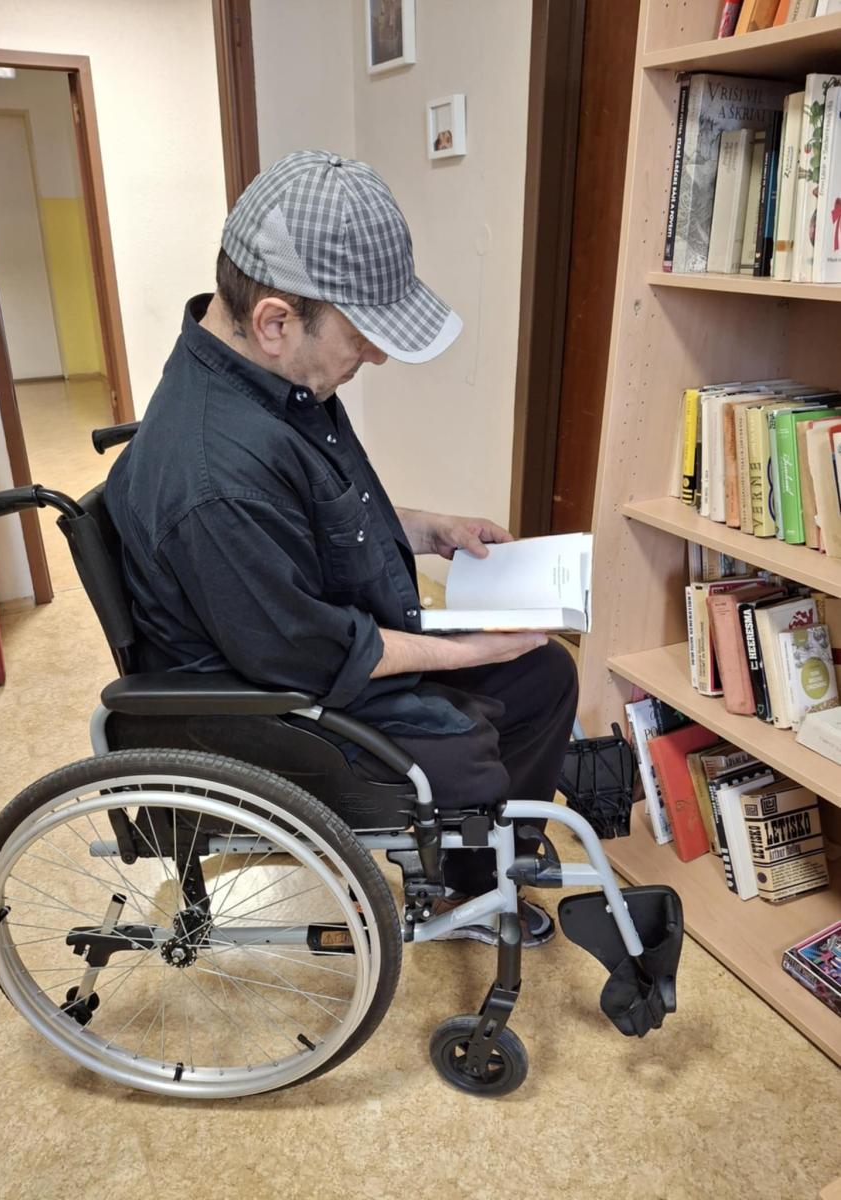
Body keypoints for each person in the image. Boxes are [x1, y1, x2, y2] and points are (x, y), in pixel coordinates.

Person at [104, 151, 577, 946]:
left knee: (543, 674)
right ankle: (469, 876)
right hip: (271, 701)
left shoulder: (267, 382)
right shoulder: (213, 475)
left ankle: (477, 872)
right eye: (362, 337)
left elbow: (306, 511)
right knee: (471, 750)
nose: (377, 356)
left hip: (303, 634)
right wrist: (468, 649)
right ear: (275, 321)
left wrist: (429, 528)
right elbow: (310, 653)